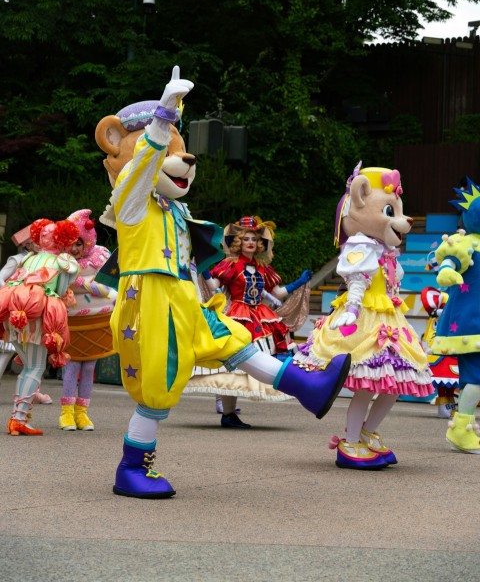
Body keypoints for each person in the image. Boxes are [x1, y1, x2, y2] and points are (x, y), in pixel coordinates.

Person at [94, 65, 350, 499]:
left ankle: (307, 386)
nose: (185, 159)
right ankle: (132, 468)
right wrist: (164, 115)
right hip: (152, 303)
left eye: (182, 150)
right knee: (158, 388)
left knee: (235, 341)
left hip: (184, 299)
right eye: (168, 150)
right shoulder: (131, 202)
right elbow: (142, 165)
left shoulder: (170, 210)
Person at [295, 163, 434, 469]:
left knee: (396, 382)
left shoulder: (384, 250)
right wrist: (353, 309)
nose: (402, 219)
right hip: (366, 319)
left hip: (389, 319)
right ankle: (351, 440)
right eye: (390, 210)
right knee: (368, 384)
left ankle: (368, 432)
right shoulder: (360, 245)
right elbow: (357, 282)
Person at [187, 215, 312, 429]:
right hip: (236, 315)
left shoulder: (263, 268)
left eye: (254, 239)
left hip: (261, 317)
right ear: (238, 242)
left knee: (260, 359)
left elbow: (279, 293)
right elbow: (214, 284)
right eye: (246, 239)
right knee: (234, 362)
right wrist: (204, 264)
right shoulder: (231, 265)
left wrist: (299, 282)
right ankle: (228, 413)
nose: (251, 243)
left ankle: (234, 409)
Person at [0, 217, 79, 435]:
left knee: (29, 367)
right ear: (62, 239)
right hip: (37, 317)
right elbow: (61, 291)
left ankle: (19, 416)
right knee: (35, 368)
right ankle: (18, 419)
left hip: (15, 315)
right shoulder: (62, 261)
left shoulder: (28, 260)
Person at [430, 176, 480, 453]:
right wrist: (447, 270)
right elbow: (451, 258)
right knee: (475, 377)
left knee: (475, 376)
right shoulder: (468, 242)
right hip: (472, 321)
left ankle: (466, 426)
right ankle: (461, 429)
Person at [58, 209, 117, 431]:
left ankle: (82, 413)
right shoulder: (61, 263)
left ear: (88, 243)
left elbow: (112, 277)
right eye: (70, 244)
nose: (74, 249)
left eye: (79, 244)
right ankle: (66, 413)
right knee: (71, 366)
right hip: (71, 321)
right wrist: (104, 291)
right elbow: (73, 284)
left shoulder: (101, 257)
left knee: (90, 367)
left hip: (98, 320)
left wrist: (109, 292)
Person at [0, 225, 52, 404]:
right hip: (13, 310)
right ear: (28, 244)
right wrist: (13, 291)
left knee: (30, 363)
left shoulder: (46, 260)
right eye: (35, 241)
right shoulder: (18, 259)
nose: (40, 244)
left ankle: (32, 393)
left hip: (30, 312)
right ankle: (24, 406)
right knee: (8, 355)